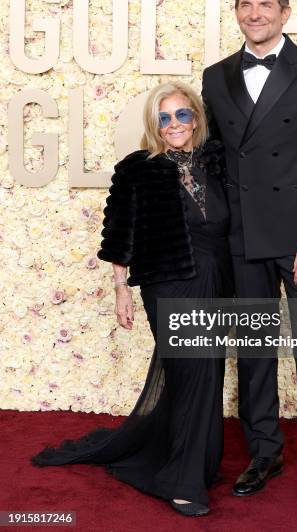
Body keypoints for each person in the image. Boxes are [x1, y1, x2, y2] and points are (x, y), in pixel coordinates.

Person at [30, 81, 234, 517]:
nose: (174, 124)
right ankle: (184, 482)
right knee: (191, 373)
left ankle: (195, 463)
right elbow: (118, 236)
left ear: (195, 118)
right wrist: (121, 289)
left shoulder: (216, 162)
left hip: (217, 281)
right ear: (154, 125)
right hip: (169, 282)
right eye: (164, 118)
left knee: (208, 375)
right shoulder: (137, 169)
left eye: (182, 115)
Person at [201, 0, 297, 515]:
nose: (255, 14)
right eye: (246, 5)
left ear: (285, 12)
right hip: (244, 238)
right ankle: (264, 453)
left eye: (266, 5)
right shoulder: (215, 76)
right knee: (255, 354)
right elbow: (215, 160)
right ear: (237, 11)